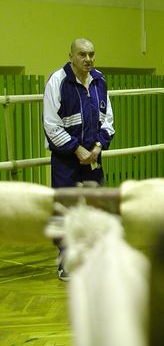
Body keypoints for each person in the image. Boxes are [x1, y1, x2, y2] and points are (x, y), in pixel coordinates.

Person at [43, 38, 115, 281]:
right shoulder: (57, 81)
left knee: (95, 207)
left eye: (91, 54)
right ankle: (66, 260)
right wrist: (76, 149)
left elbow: (108, 119)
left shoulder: (100, 80)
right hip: (66, 159)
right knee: (66, 208)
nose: (88, 59)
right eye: (82, 54)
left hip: (93, 156)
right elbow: (51, 126)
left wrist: (97, 146)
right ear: (71, 55)